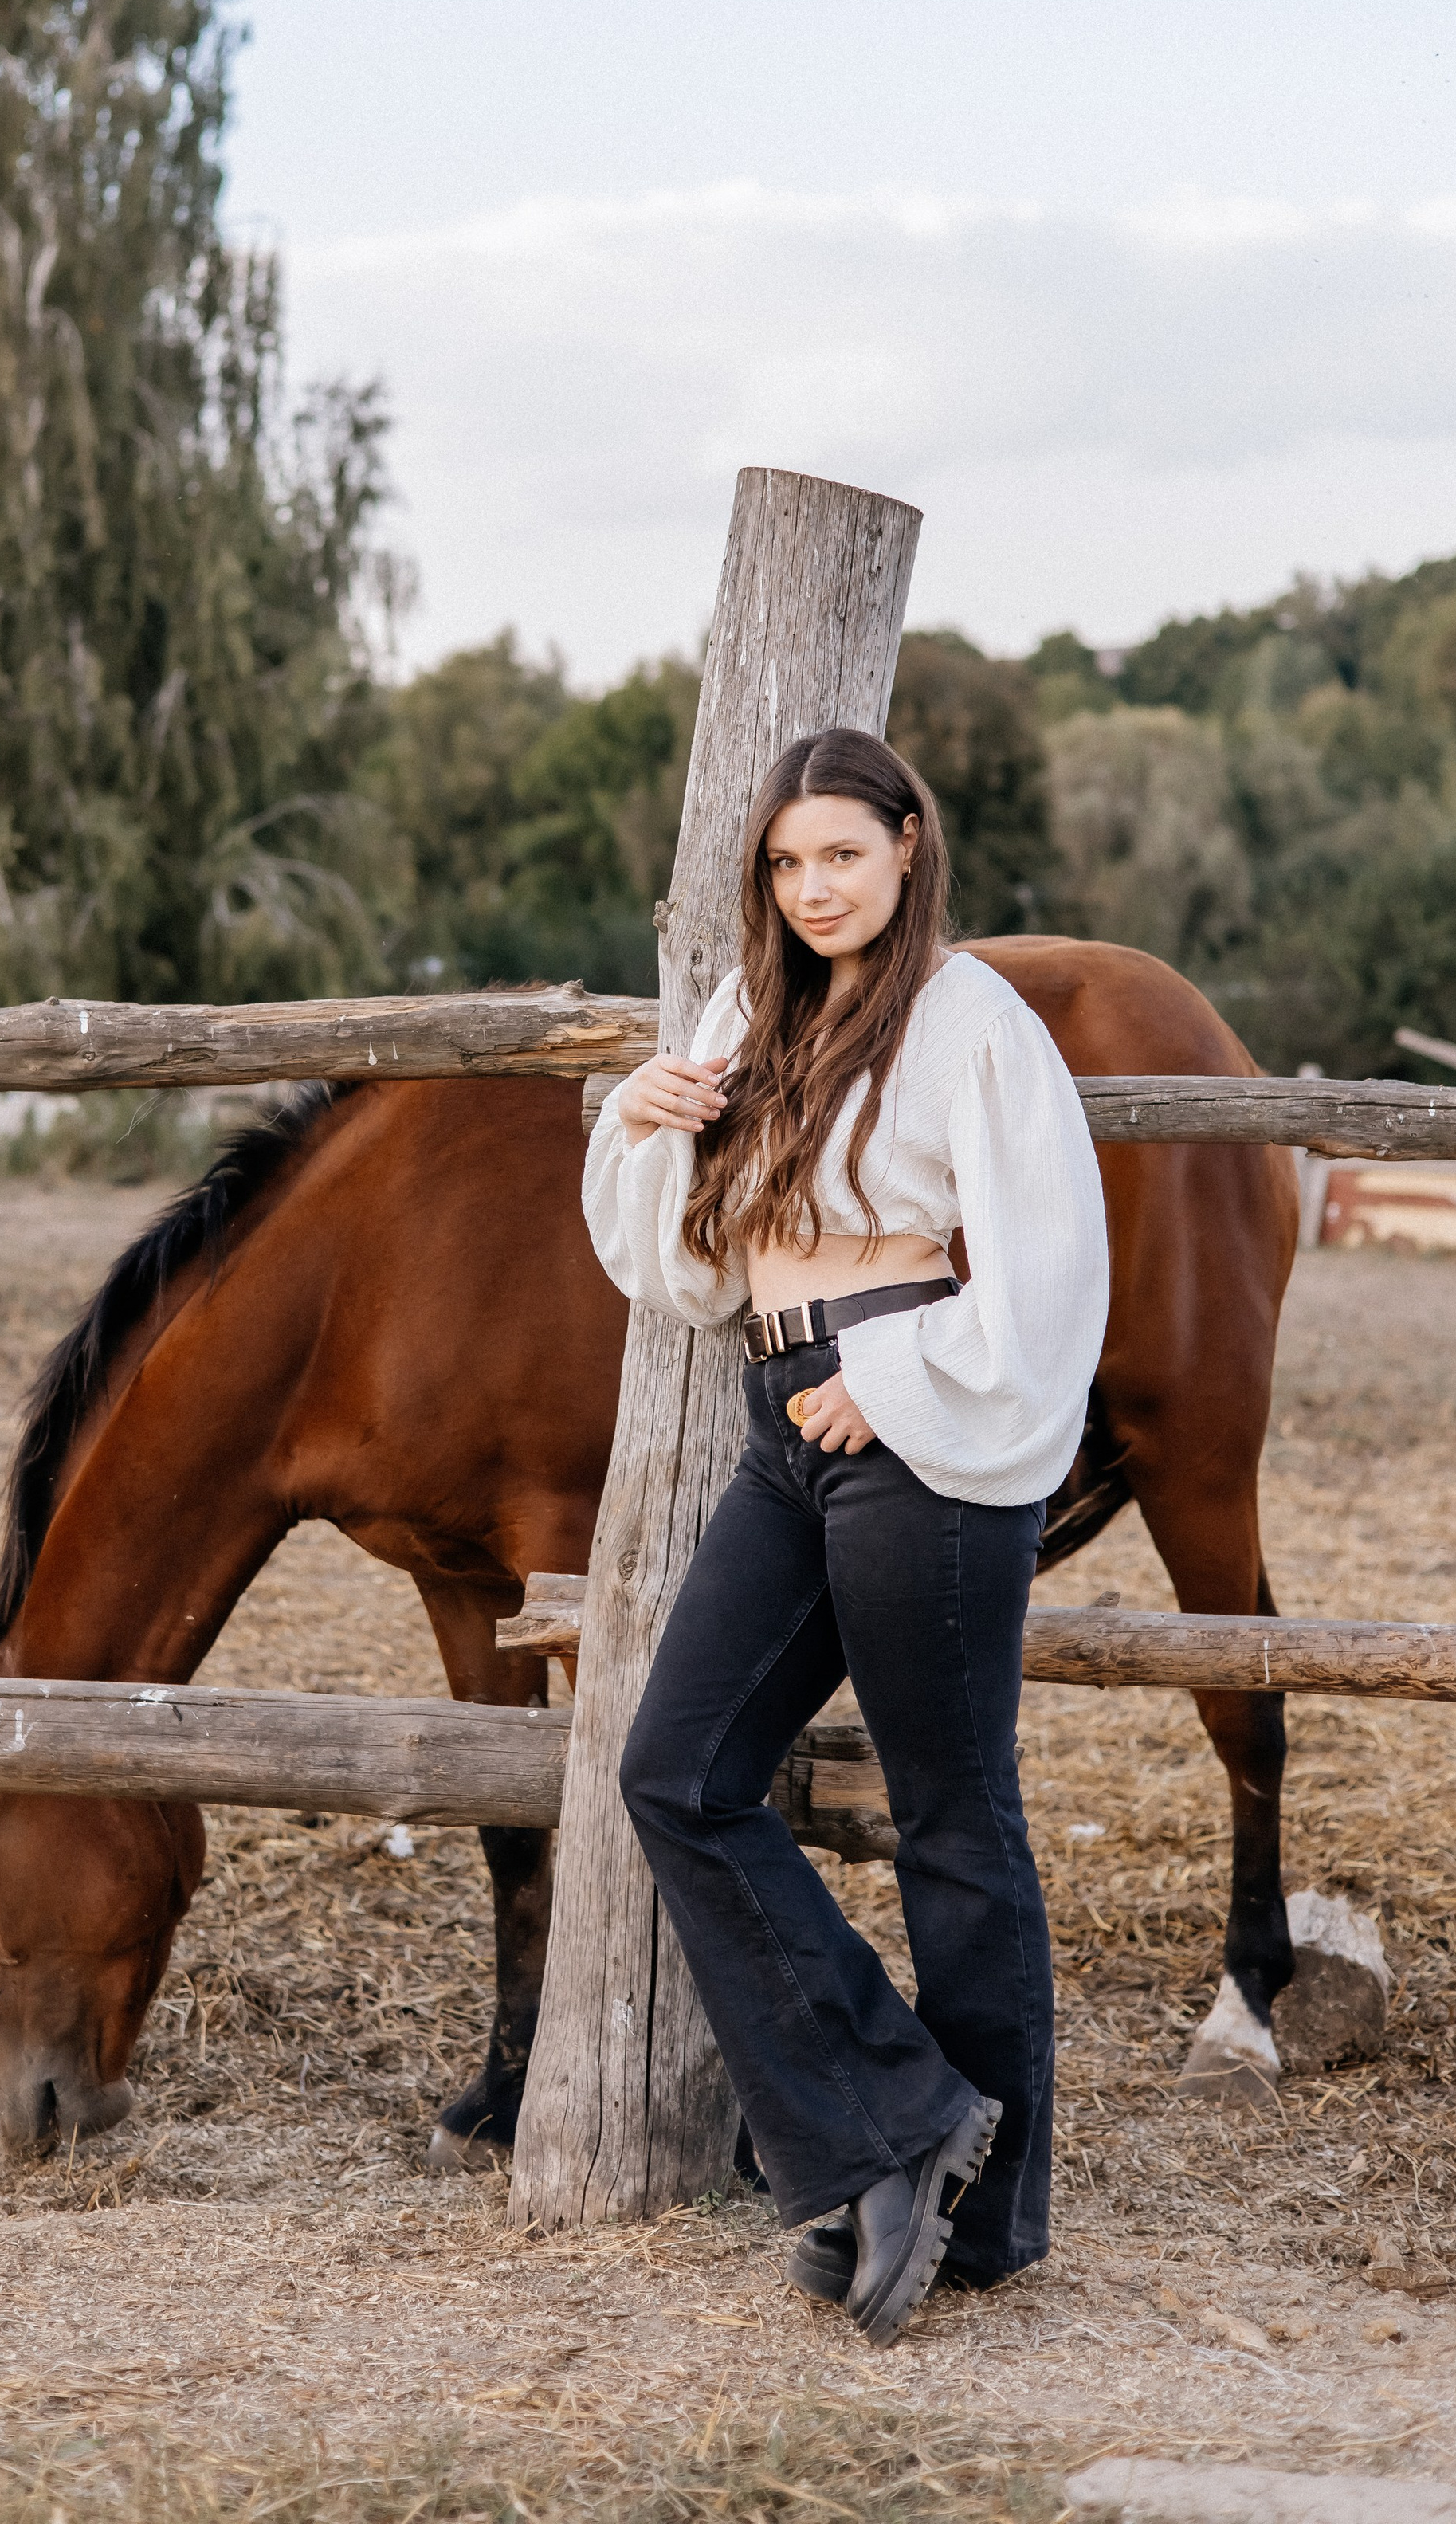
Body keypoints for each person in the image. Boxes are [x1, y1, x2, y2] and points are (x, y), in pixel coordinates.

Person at [582, 726, 1108, 2347]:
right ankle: (890, 2118)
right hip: (780, 1410)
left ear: (904, 847)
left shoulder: (969, 1023)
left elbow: (1050, 1264)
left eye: (841, 857)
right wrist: (649, 1117)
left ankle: (988, 2218)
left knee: (952, 1815)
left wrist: (897, 1379)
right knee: (674, 1771)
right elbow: (683, 1276)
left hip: (912, 1416)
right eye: (786, 864)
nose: (813, 889)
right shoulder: (755, 1015)